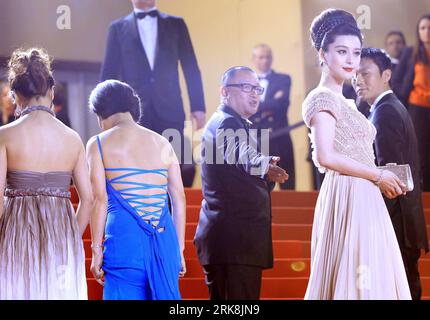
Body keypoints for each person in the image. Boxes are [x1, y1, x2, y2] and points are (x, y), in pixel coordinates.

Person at [302, 9, 411, 299]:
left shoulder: (347, 101)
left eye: (356, 52)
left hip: (366, 195)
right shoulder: (321, 97)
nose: (351, 60)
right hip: (346, 194)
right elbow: (325, 156)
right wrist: (378, 175)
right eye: (341, 51)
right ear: (323, 54)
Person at [0, 48, 92, 299]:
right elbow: (89, 199)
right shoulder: (73, 139)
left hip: (16, 232)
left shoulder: (5, 135)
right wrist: (69, 233)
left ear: (15, 95)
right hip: (61, 232)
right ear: (51, 91)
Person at [194, 66, 289, 300]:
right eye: (246, 87)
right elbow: (240, 151)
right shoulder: (226, 123)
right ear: (225, 92)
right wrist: (263, 163)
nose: (255, 93)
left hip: (235, 244)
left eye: (257, 88)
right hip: (233, 244)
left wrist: (265, 173)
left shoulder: (234, 122)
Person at [87, 79, 186, 300]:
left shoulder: (98, 143)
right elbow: (179, 199)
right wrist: (179, 249)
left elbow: (99, 200)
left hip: (124, 242)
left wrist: (96, 250)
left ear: (100, 113)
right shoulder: (163, 143)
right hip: (165, 241)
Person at [100, 0, 206, 184]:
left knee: (174, 165)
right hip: (132, 112)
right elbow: (108, 73)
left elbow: (190, 66)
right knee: (137, 166)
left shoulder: (176, 24)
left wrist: (198, 106)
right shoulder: (117, 28)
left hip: (171, 107)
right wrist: (104, 112)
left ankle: (173, 211)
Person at [354, 47, 429, 300]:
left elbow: (390, 175)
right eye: (355, 75)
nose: (359, 80)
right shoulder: (388, 107)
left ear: (386, 75)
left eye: (365, 73)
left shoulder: (384, 111)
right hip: (403, 220)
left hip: (396, 222)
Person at [392, 14, 430, 192]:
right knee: (420, 152)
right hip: (417, 109)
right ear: (418, 32)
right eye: (423, 28)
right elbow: (397, 81)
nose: (427, 32)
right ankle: (422, 193)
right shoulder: (411, 53)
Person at [249, 44, 295, 189]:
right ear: (254, 60)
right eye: (261, 57)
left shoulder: (283, 79)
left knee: (287, 181)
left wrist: (258, 106)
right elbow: (247, 109)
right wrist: (270, 103)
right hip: (257, 138)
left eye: (268, 57)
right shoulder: (248, 83)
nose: (265, 61)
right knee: (258, 183)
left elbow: (280, 105)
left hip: (280, 135)